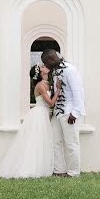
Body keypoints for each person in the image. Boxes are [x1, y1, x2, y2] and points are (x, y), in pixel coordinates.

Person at [0, 63, 61, 178]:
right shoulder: (40, 86)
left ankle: (43, 165)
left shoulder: (47, 83)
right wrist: (58, 90)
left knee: (44, 140)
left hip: (45, 114)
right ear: (41, 73)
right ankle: (31, 167)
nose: (45, 67)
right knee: (36, 141)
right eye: (42, 67)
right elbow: (50, 103)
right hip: (39, 115)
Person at [41, 49, 85, 177]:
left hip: (69, 112)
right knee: (56, 141)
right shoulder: (55, 72)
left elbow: (78, 91)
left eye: (45, 63)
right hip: (58, 113)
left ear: (51, 59)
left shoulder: (70, 69)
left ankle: (73, 172)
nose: (45, 66)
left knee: (71, 143)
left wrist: (75, 113)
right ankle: (59, 170)